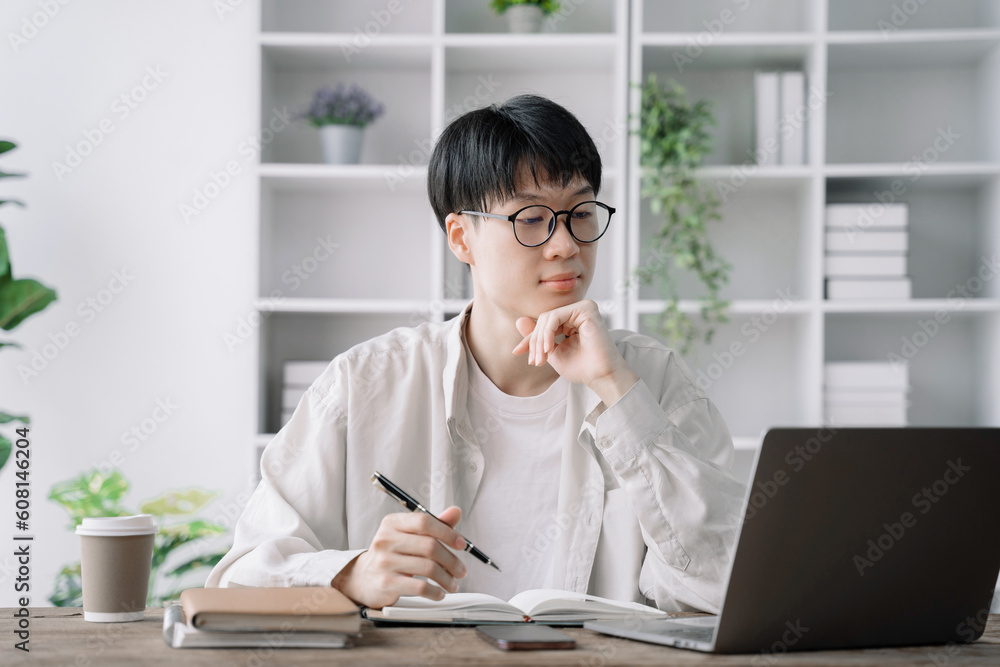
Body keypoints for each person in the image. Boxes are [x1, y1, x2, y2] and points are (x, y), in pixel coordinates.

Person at [206, 94, 746, 614]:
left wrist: (616, 391)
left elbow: (728, 589)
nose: (567, 245)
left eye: (581, 212)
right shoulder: (364, 383)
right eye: (531, 219)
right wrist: (353, 575)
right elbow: (241, 576)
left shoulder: (650, 379)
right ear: (461, 238)